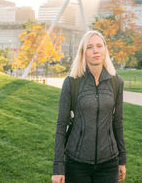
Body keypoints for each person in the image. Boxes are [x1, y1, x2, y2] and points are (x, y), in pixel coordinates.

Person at [52, 30, 126, 183]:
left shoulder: (116, 82)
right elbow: (61, 125)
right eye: (90, 47)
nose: (95, 50)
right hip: (77, 163)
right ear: (83, 52)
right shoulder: (72, 82)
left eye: (99, 46)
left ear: (105, 49)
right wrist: (58, 167)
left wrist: (122, 160)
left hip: (109, 163)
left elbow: (118, 122)